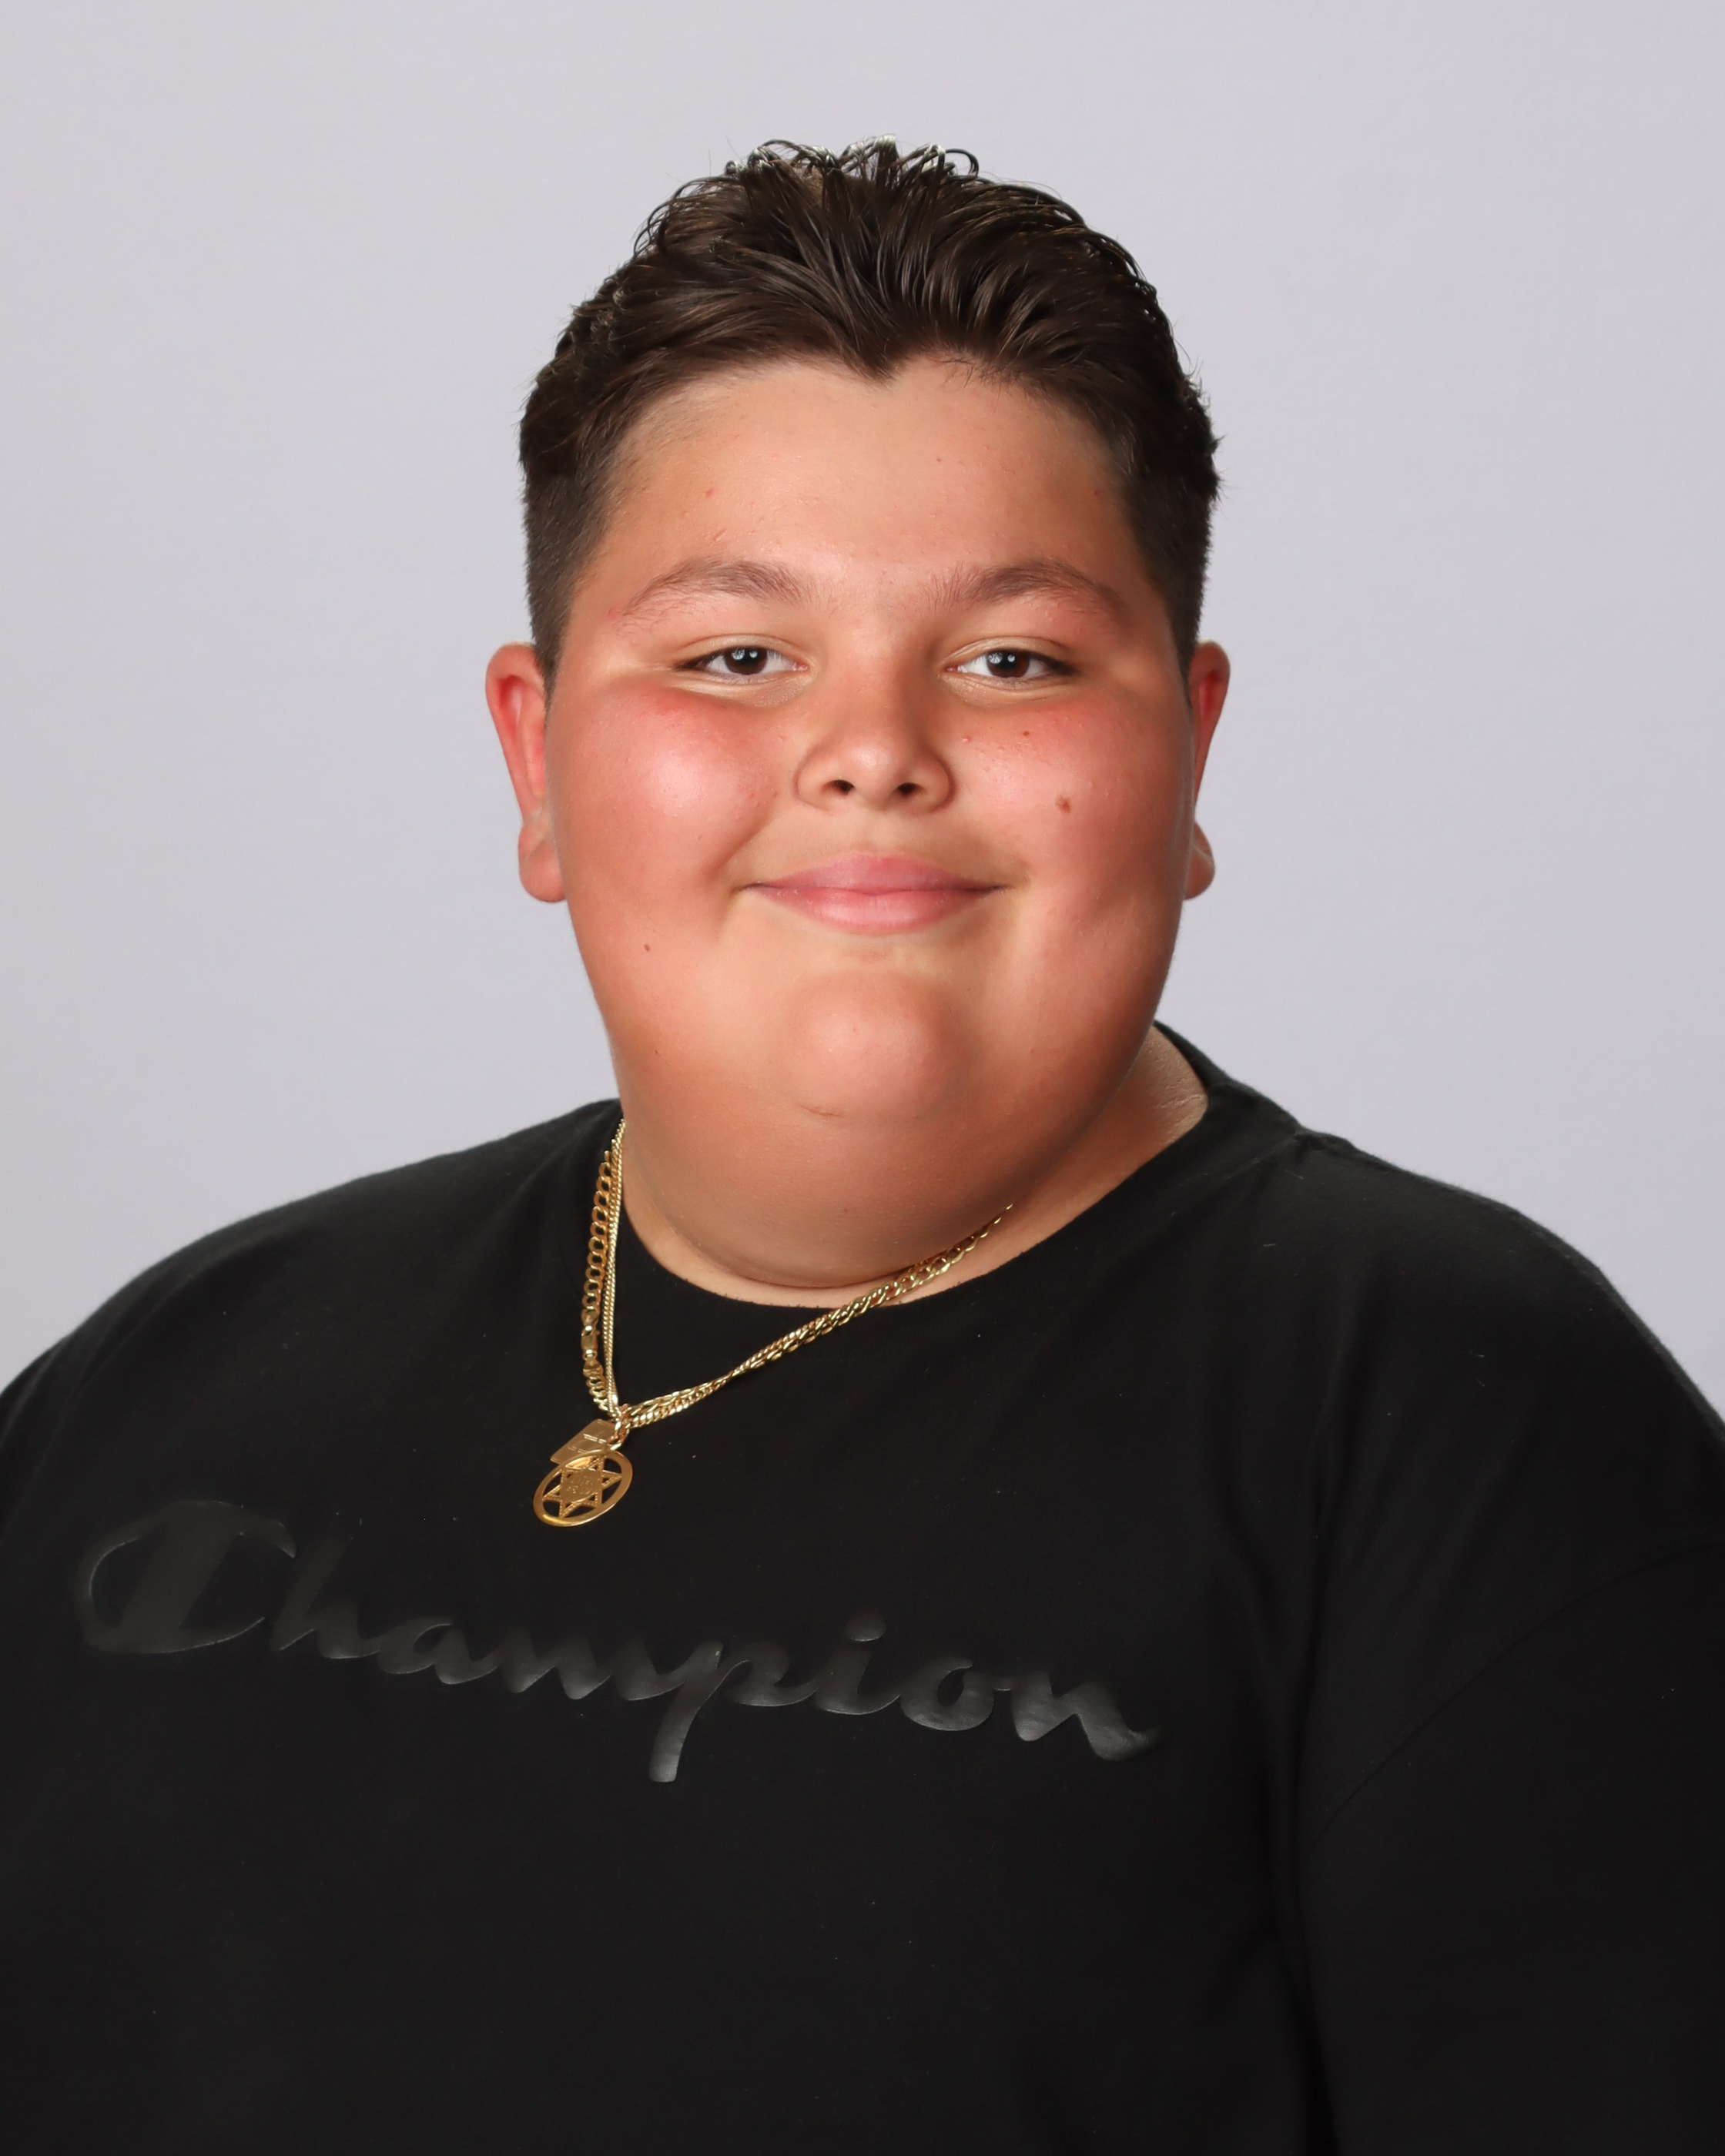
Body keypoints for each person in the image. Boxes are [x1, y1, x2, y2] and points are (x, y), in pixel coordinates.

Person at [2, 140, 1720, 2154]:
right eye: (737, 655)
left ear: (1189, 750)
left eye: (1014, 659)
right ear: (535, 759)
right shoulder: (167, 1385)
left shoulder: (1466, 1423)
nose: (874, 752)